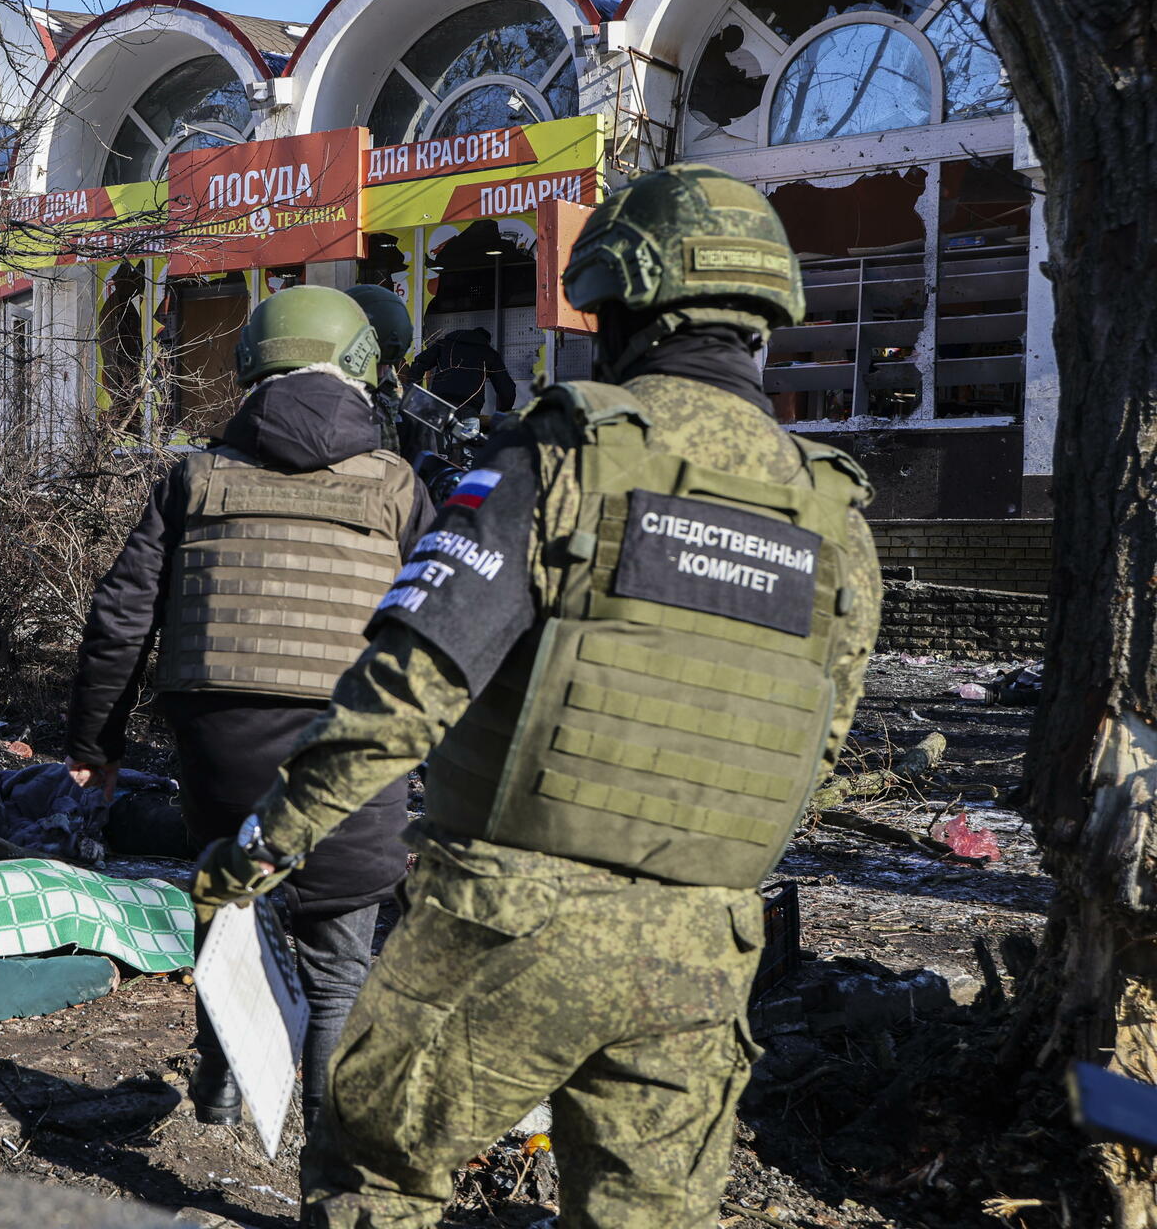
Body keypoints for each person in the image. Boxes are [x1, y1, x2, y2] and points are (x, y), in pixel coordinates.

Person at [192, 164, 884, 1228]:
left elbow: (408, 686)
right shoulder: (835, 514)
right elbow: (815, 750)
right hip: (706, 951)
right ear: (763, 314)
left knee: (376, 1171)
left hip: (512, 918)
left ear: (618, 305)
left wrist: (263, 843)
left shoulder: (562, 453)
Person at [67, 284, 434, 1131]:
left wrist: (95, 740)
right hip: (353, 751)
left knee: (230, 913)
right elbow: (440, 633)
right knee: (341, 962)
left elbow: (120, 615)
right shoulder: (397, 485)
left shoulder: (195, 477)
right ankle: (326, 1150)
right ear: (359, 368)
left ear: (249, 368)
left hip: (219, 750)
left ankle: (222, 1087)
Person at [401, 323, 516, 433]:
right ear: (486, 341)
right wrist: (504, 411)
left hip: (440, 403)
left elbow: (420, 363)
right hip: (469, 408)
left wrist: (413, 390)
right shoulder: (488, 353)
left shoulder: (445, 344)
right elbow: (506, 389)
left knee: (438, 447)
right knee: (468, 446)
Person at [345, 285, 414, 457]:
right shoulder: (325, 396)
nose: (381, 374)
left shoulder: (401, 399)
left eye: (388, 364)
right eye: (374, 364)